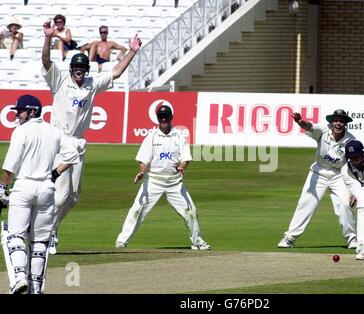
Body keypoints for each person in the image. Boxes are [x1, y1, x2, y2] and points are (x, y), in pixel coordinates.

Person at [41, 20, 142, 255]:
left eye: (82, 69)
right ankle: (47, 233)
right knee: (59, 195)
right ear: (71, 70)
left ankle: (51, 229)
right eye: (76, 69)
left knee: (74, 198)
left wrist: (132, 52)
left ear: (86, 70)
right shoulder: (60, 81)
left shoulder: (91, 84)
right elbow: (46, 61)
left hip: (78, 142)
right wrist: (48, 38)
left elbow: (116, 72)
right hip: (60, 139)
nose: (79, 72)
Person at [0, 95, 78, 294]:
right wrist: (54, 174)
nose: (17, 115)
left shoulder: (21, 131)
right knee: (39, 242)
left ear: (32, 111)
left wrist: (2, 186)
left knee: (15, 236)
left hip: (23, 188)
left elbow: (11, 165)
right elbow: (73, 156)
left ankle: (19, 278)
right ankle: (35, 287)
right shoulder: (54, 132)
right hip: (46, 190)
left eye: (20, 111)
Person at [115, 105, 211, 250]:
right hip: (153, 181)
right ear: (157, 118)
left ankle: (197, 242)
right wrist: (142, 172)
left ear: (171, 117)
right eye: (161, 117)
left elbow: (185, 158)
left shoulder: (179, 136)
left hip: (174, 183)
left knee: (191, 212)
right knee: (137, 210)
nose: (164, 119)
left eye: (166, 116)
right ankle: (121, 241)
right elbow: (143, 159)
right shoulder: (151, 137)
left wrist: (181, 168)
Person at [277, 109, 357, 249]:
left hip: (339, 175)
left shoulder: (351, 141)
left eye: (341, 121)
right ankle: (290, 237)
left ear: (345, 124)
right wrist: (301, 122)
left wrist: (353, 190)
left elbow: (353, 166)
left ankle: (352, 239)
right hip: (319, 171)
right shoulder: (323, 130)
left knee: (345, 204)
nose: (338, 124)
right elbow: (310, 127)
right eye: (336, 120)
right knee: (306, 203)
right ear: (332, 122)